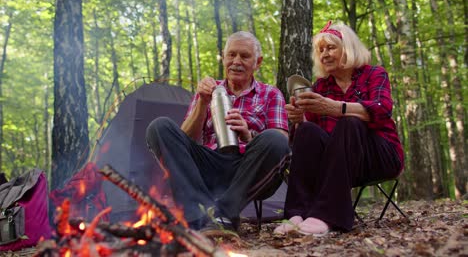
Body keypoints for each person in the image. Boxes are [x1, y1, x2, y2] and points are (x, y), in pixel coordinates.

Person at [146, 31, 291, 232]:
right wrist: (203, 102)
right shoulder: (209, 90)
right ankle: (198, 215)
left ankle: (225, 213)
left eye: (244, 56)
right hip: (210, 164)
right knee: (159, 127)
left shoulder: (271, 94)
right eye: (231, 55)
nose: (236, 61)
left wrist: (248, 135)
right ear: (223, 58)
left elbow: (282, 143)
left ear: (258, 62)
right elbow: (184, 139)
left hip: (249, 167)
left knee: (274, 139)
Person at [274, 21, 404, 235]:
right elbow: (314, 140)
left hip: (381, 156)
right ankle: (296, 213)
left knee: (349, 121)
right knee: (307, 131)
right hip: (340, 164)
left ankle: (326, 215)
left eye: (330, 47)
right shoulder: (321, 87)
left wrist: (336, 107)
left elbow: (382, 110)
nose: (324, 54)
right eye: (320, 50)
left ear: (348, 48)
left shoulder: (374, 74)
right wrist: (300, 120)